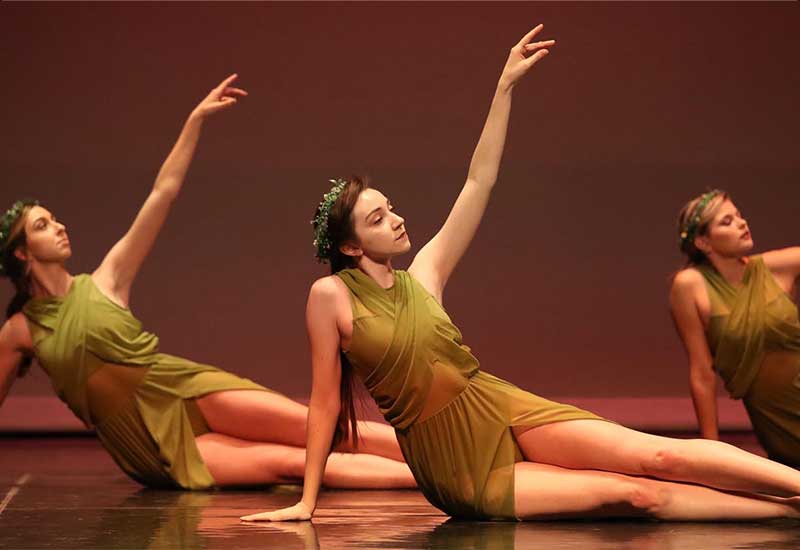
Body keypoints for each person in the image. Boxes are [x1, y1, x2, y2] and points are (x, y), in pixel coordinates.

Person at [241, 26, 800, 522]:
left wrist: (502, 89)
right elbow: (324, 401)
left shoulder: (426, 272)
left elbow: (477, 183)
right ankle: (779, 518)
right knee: (636, 496)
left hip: (500, 405)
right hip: (455, 461)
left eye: (392, 209)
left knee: (656, 455)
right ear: (348, 244)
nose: (397, 220)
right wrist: (307, 503)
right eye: (378, 218)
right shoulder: (330, 296)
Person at [0, 75, 414, 491]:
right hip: (145, 441)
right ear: (21, 252)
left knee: (325, 431)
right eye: (42, 225)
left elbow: (164, 191)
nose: (59, 227)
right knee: (292, 462)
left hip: (182, 386)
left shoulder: (106, 278)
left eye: (55, 219)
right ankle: (438, 482)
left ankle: (455, 465)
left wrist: (194, 120)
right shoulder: (20, 331)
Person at [669, 189, 800, 467]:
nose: (742, 223)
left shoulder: (776, 266)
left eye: (739, 216)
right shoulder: (689, 285)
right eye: (727, 221)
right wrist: (713, 452)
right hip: (780, 426)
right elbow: (702, 372)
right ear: (704, 242)